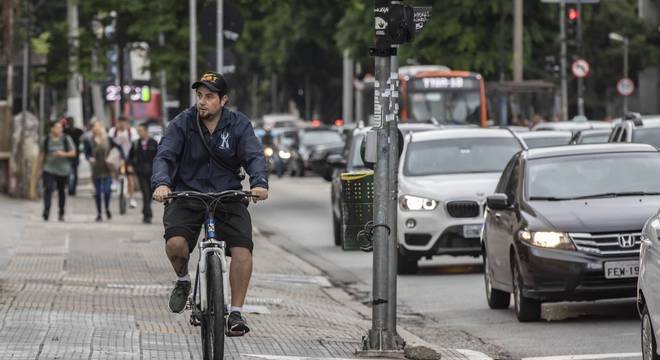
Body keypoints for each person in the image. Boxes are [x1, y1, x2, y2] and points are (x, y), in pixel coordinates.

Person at [152, 71, 268, 336]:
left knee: (242, 251)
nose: (202, 102)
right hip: (187, 194)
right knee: (176, 245)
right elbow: (165, 156)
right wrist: (161, 183)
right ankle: (183, 281)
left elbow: (254, 156)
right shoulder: (182, 123)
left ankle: (236, 313)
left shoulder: (239, 124)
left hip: (228, 196)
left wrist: (259, 183)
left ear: (223, 100)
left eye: (209, 97)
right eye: (199, 96)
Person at [84, 121, 125, 222]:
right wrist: (89, 158)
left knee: (107, 191)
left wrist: (121, 159)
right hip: (96, 169)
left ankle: (107, 209)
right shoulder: (89, 140)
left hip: (107, 169)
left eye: (98, 126)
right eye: (94, 127)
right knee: (97, 193)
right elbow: (87, 153)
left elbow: (119, 148)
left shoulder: (108, 139)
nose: (96, 128)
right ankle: (99, 213)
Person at [38, 120, 77, 221]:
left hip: (63, 169)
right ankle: (46, 210)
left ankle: (61, 212)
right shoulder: (46, 140)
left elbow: (73, 152)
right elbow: (41, 155)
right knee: (48, 189)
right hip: (49, 168)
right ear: (52, 129)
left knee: (61, 191)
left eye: (60, 128)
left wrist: (62, 154)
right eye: (57, 127)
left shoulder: (66, 139)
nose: (59, 130)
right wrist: (39, 169)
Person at [128, 122, 158, 224]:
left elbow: (158, 158)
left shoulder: (154, 143)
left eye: (141, 131)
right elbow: (130, 157)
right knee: (145, 193)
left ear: (146, 131)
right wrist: (131, 166)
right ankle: (147, 215)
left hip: (152, 173)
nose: (139, 133)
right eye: (138, 131)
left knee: (150, 194)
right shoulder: (136, 143)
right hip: (140, 172)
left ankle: (145, 210)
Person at [109, 116, 139, 209]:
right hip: (117, 157)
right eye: (120, 122)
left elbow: (135, 145)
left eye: (124, 123)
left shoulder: (131, 132)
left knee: (130, 178)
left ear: (127, 123)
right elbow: (109, 143)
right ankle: (114, 181)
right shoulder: (113, 131)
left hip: (128, 157)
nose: (122, 125)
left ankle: (132, 198)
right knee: (111, 164)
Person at [62, 116, 84, 196]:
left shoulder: (78, 131)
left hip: (75, 155)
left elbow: (82, 140)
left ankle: (72, 189)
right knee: (69, 172)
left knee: (73, 172)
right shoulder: (65, 131)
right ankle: (70, 188)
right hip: (67, 155)